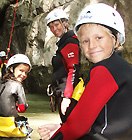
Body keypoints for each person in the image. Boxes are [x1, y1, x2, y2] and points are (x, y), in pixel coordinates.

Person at [38, 3, 132, 140]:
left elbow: (77, 127)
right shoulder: (121, 67)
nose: (92, 45)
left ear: (116, 40)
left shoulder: (105, 69)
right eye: (85, 41)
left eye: (99, 38)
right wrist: (60, 128)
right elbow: (96, 118)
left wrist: (57, 137)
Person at [45, 8, 81, 123]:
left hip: (66, 93)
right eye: (51, 27)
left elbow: (73, 69)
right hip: (61, 91)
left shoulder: (70, 41)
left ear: (64, 23)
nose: (54, 29)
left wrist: (67, 97)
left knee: (69, 125)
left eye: (56, 24)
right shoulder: (63, 42)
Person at [0, 54, 33, 140]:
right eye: (21, 70)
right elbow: (22, 108)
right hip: (10, 127)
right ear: (11, 69)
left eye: (26, 72)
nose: (24, 74)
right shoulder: (18, 85)